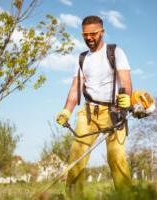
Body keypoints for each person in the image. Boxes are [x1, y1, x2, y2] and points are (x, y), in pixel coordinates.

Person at [56, 15, 132, 198]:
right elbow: (75, 88)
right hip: (89, 112)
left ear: (102, 32)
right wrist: (67, 110)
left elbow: (126, 81)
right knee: (77, 155)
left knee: (116, 157)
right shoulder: (82, 58)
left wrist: (126, 99)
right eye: (85, 34)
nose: (89, 37)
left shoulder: (115, 52)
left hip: (114, 111)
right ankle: (74, 197)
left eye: (93, 33)